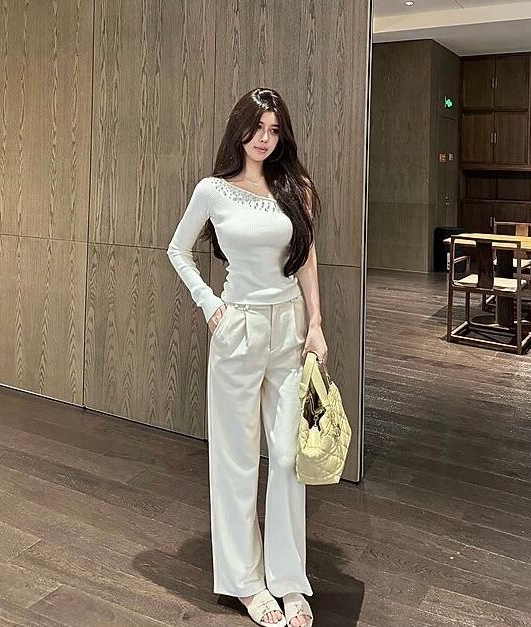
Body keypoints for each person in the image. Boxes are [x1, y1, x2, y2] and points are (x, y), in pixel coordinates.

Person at [167, 88, 327, 627]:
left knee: (286, 457)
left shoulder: (294, 186)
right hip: (237, 327)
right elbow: (177, 249)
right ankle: (245, 583)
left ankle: (288, 579)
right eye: (257, 128)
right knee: (235, 459)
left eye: (274, 130)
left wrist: (316, 325)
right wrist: (210, 303)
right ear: (239, 129)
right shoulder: (212, 190)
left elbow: (306, 258)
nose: (264, 139)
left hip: (289, 328)